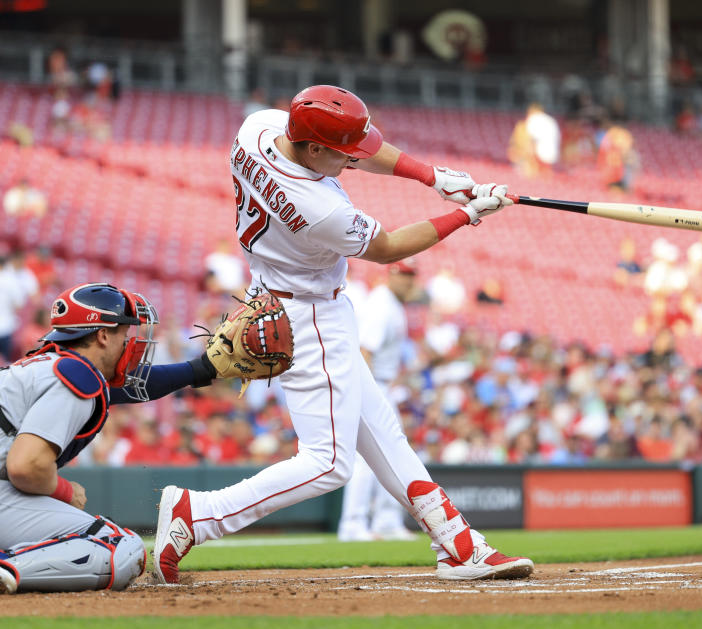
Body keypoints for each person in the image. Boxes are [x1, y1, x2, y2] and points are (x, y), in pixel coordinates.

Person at [153, 85, 532, 584]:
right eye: (340, 154)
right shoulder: (318, 208)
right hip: (307, 315)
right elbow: (390, 246)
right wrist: (467, 213)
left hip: (282, 294)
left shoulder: (258, 128)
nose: (352, 161)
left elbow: (360, 147)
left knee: (382, 434)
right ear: (313, 149)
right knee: (328, 463)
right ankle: (199, 514)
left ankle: (458, 545)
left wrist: (433, 176)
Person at [0, 283, 223, 594]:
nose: (130, 341)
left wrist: (203, 369)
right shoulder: (76, 376)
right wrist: (66, 490)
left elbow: (136, 387)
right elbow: (26, 467)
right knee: (121, 547)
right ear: (103, 334)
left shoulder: (49, 367)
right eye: (124, 332)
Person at [337, 259, 418, 542]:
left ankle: (385, 519)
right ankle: (352, 524)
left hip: (381, 386)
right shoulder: (381, 305)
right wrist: (365, 396)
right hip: (370, 386)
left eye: (412, 276)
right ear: (391, 274)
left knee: (392, 455)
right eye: (404, 275)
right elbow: (365, 351)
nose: (408, 281)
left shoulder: (392, 304)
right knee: (366, 460)